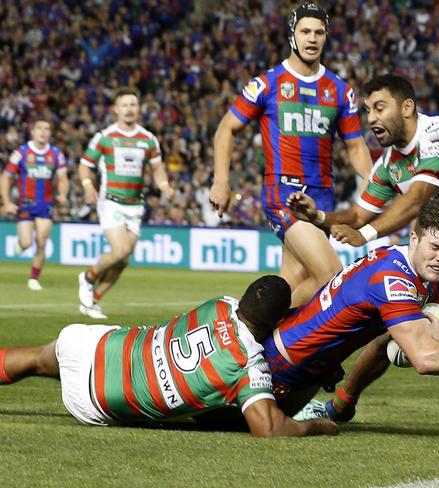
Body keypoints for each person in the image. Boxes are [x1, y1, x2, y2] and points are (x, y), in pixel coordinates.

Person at [288, 74, 439, 446]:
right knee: (391, 319)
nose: (371, 118)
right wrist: (320, 218)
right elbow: (356, 217)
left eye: (379, 107)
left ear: (407, 107)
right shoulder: (387, 164)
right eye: (367, 110)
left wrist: (367, 235)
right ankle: (341, 405)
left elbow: (419, 198)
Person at [265, 194, 439, 422]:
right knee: (248, 424)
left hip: (312, 373)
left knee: (393, 334)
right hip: (282, 368)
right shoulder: (392, 278)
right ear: (414, 239)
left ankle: (341, 405)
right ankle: (338, 405)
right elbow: (426, 360)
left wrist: (429, 330)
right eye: (435, 247)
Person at [0, 276, 338, 438]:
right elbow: (268, 430)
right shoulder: (249, 364)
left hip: (95, 346)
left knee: (30, 359)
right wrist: (320, 427)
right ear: (278, 321)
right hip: (96, 402)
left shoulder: (219, 303)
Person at [209, 2, 372, 306]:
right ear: (292, 36)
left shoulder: (339, 90)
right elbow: (225, 129)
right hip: (283, 193)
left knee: (293, 289)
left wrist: (370, 181)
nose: (312, 38)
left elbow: (355, 145)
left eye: (319, 32)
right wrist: (222, 180)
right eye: (305, 31)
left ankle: (264, 343)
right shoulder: (267, 84)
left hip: (322, 198)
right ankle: (250, 331)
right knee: (333, 277)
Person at [77, 87, 174, 320]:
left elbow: (158, 169)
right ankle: (87, 277)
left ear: (138, 109)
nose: (129, 109)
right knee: (120, 250)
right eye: (125, 105)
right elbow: (84, 165)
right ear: (116, 110)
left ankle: (93, 302)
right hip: (111, 201)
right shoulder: (105, 137)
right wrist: (88, 186)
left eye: (133, 104)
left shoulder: (148, 139)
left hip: (135, 205)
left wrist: (164, 186)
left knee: (124, 260)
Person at [0, 118, 69, 290]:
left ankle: (34, 278)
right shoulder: (21, 152)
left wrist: (63, 194)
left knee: (42, 241)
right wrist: (7, 202)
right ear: (32, 131)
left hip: (45, 205)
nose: (43, 132)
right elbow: (6, 176)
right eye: (39, 128)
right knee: (27, 242)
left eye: (47, 129)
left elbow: (62, 177)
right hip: (25, 205)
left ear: (50, 133)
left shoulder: (55, 154)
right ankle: (21, 245)